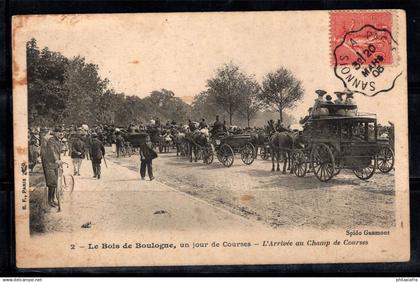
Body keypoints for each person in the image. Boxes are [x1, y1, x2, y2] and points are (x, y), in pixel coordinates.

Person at [43, 126, 62, 207]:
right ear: (55, 133)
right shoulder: (51, 140)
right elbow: (52, 150)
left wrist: (59, 161)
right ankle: (49, 201)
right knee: (51, 183)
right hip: (49, 164)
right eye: (58, 132)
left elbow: (58, 152)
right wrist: (56, 159)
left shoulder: (58, 140)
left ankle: (53, 200)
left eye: (61, 132)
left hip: (55, 164)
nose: (60, 134)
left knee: (54, 183)